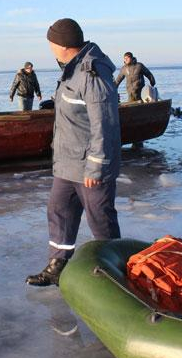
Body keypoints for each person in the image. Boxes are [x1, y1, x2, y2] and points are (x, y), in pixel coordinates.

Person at [26, 18, 121, 286]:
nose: (50, 49)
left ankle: (115, 273)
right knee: (58, 210)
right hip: (68, 163)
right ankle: (58, 264)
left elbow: (104, 121)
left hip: (89, 165)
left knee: (100, 219)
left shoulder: (92, 72)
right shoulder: (73, 67)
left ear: (61, 44)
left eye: (51, 44)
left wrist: (96, 164)